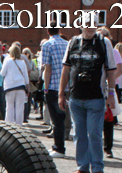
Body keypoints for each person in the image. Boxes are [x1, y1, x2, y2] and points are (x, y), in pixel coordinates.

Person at [60, 12, 117, 173]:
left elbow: (111, 70)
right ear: (81, 25)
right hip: (76, 97)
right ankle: (82, 167)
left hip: (96, 97)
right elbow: (66, 69)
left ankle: (97, 168)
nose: (90, 27)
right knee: (79, 134)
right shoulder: (73, 42)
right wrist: (61, 93)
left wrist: (112, 94)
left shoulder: (103, 42)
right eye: (87, 23)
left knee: (94, 133)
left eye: (93, 24)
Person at [42, 21, 70, 158]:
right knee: (67, 118)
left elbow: (48, 68)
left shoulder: (47, 45)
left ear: (48, 32)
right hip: (69, 85)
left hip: (54, 85)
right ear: (59, 30)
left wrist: (45, 88)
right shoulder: (67, 43)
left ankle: (59, 147)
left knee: (57, 119)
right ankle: (60, 146)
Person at [98, 27, 122, 159]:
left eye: (103, 36)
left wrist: (109, 81)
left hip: (108, 88)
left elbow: (119, 69)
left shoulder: (114, 51)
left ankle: (108, 148)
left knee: (108, 119)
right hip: (95, 88)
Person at [1, 44, 29, 125]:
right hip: (20, 87)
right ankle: (19, 126)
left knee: (9, 108)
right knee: (19, 108)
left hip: (10, 87)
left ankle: (9, 126)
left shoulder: (7, 61)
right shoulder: (22, 62)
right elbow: (26, 76)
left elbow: (2, 74)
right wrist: (27, 85)